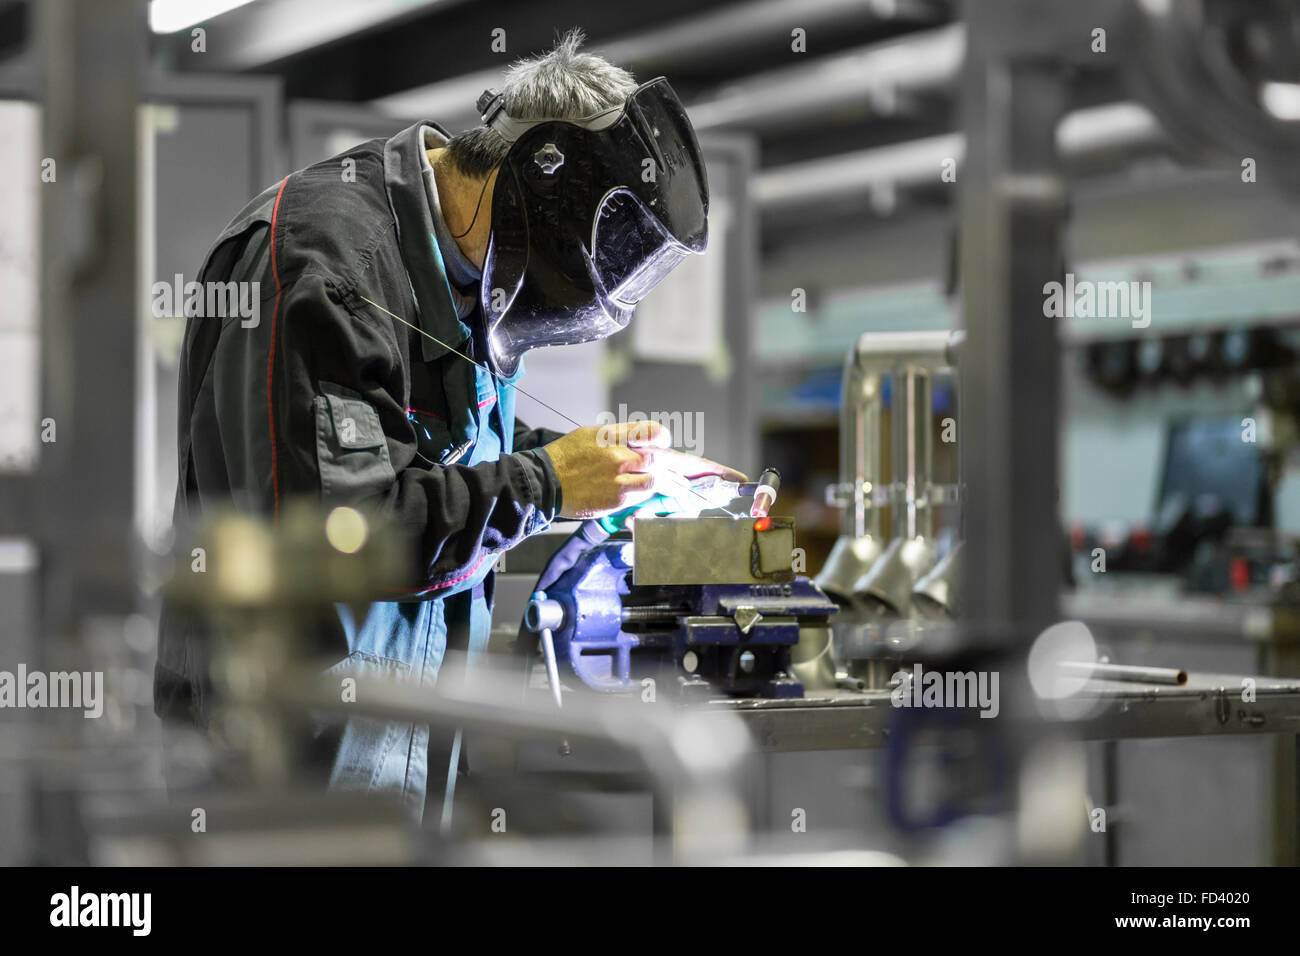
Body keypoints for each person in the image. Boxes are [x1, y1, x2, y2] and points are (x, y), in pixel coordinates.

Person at [154, 30, 743, 821]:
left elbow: (435, 450)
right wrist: (550, 482)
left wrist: (578, 461)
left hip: (403, 751)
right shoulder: (327, 261)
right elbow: (347, 536)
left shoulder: (467, 270)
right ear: (544, 180)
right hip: (285, 767)